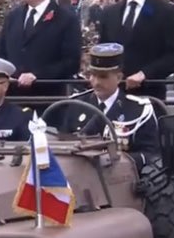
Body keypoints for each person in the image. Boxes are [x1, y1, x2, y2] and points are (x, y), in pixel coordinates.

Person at [97, 0, 174, 101]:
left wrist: (145, 74)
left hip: (148, 96)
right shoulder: (109, 13)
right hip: (113, 97)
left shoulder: (165, 12)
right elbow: (103, 51)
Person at [61, 43, 159, 171]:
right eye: (92, 75)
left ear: (118, 78)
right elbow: (64, 146)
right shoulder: (76, 105)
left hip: (122, 182)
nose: (95, 82)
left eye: (103, 77)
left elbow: (151, 155)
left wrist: (116, 161)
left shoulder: (138, 110)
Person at [0, 0, 82, 99]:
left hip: (47, 101)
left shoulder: (66, 19)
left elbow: (71, 62)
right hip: (13, 101)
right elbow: (1, 54)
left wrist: (38, 75)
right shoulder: (13, 17)